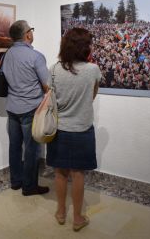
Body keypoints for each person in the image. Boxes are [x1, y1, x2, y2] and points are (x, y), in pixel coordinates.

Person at [46, 28, 101, 231]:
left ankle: (61, 212)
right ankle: (77, 218)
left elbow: (50, 95)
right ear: (83, 47)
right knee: (78, 174)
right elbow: (92, 95)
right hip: (82, 129)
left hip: (59, 129)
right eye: (89, 43)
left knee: (60, 173)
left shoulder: (54, 69)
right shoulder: (93, 70)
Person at [2, 20, 50, 196]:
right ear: (27, 34)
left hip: (12, 107)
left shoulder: (6, 55)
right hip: (30, 108)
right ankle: (29, 186)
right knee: (32, 149)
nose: (32, 33)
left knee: (14, 146)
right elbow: (47, 85)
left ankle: (16, 181)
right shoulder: (36, 56)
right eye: (31, 30)